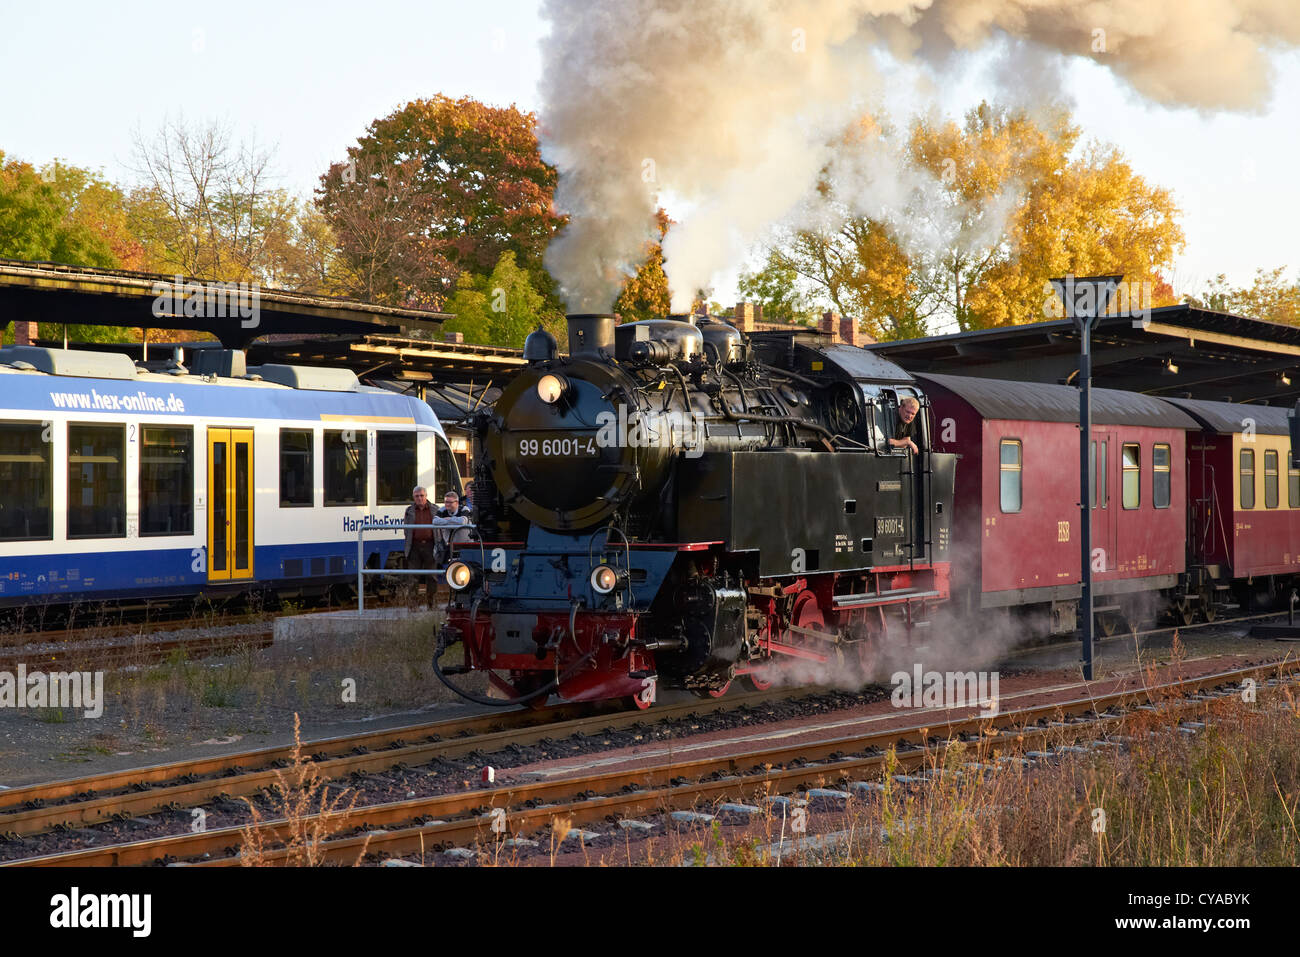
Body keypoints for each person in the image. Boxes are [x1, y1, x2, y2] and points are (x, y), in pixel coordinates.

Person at [403, 486, 437, 605]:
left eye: (422, 495)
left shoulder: (435, 509)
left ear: (426, 496)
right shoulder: (409, 511)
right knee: (413, 577)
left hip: (430, 546)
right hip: (414, 547)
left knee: (432, 577)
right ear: (413, 497)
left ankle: (431, 604)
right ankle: (413, 606)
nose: (419, 498)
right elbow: (406, 530)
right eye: (417, 496)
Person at [433, 490, 473, 568]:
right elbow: (435, 521)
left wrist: (448, 519)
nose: (447, 505)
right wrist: (452, 521)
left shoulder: (464, 509)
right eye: (446, 502)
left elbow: (462, 521)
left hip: (464, 546)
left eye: (450, 503)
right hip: (449, 547)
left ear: (457, 503)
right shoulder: (442, 510)